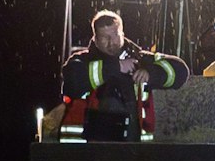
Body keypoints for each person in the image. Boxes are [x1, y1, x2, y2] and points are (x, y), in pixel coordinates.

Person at [59, 10, 189, 142]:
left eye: (115, 35)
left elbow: (181, 71)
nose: (111, 42)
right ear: (95, 39)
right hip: (89, 150)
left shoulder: (139, 59)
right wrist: (117, 67)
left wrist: (151, 73)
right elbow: (72, 81)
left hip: (133, 149)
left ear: (122, 34)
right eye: (104, 37)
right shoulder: (82, 60)